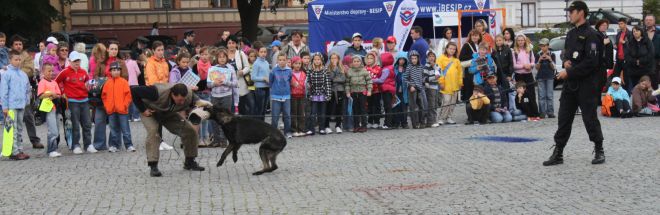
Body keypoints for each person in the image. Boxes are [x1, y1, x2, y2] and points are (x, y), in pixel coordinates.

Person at [545, 1, 606, 166]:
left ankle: (599, 149)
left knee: (589, 118)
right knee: (564, 118)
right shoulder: (571, 34)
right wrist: (565, 62)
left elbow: (591, 62)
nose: (569, 14)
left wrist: (569, 71)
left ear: (581, 12)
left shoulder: (592, 35)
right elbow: (567, 54)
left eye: (572, 11)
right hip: (570, 85)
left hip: (587, 85)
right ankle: (558, 152)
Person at [131, 83, 209, 177]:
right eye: (179, 100)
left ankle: (190, 162)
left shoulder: (189, 94)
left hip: (167, 113)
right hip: (150, 112)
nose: (181, 102)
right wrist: (143, 109)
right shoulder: (155, 92)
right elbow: (134, 91)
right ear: (172, 94)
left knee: (190, 131)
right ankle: (153, 166)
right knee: (153, 132)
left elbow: (198, 102)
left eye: (183, 100)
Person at [55, 53, 92, 154]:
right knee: (75, 125)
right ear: (70, 61)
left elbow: (87, 82)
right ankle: (76, 145)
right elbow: (55, 82)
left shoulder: (84, 72)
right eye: (74, 61)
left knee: (87, 124)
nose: (77, 63)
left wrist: (88, 87)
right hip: (72, 102)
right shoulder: (65, 72)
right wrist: (61, 92)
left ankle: (88, 144)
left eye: (78, 61)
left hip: (84, 101)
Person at [10, 35, 43, 149]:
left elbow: (29, 70)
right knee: (11, 118)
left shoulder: (26, 56)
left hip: (24, 91)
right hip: (11, 92)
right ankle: (13, 142)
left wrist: (14, 71)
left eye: (20, 44)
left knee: (28, 116)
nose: (18, 46)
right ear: (12, 45)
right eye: (16, 44)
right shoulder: (8, 55)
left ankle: (34, 140)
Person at [1, 50, 31, 160]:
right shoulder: (6, 74)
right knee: (12, 129)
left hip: (21, 105)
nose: (18, 62)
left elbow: (27, 89)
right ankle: (13, 151)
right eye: (15, 60)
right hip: (11, 106)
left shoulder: (23, 75)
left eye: (19, 60)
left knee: (19, 128)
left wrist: (26, 101)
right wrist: (4, 107)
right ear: (10, 60)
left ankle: (20, 149)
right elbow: (3, 92)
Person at [207, 48, 238, 147]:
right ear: (217, 58)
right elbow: (208, 84)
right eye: (219, 57)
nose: (222, 59)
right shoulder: (213, 68)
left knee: (225, 118)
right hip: (215, 96)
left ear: (226, 57)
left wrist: (225, 82)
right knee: (214, 118)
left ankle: (224, 140)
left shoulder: (230, 68)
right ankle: (216, 139)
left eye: (223, 57)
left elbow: (235, 83)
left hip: (226, 96)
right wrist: (214, 83)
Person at [102, 62, 134, 152]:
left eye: (118, 70)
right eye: (114, 70)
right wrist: (107, 106)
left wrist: (124, 105)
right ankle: (114, 145)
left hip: (122, 110)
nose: (116, 72)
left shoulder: (124, 82)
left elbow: (128, 96)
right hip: (111, 110)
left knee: (125, 129)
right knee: (113, 129)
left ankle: (129, 145)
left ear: (120, 71)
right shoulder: (107, 83)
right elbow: (104, 96)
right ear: (110, 72)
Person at [37, 63, 62, 157]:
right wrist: (51, 93)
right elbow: (40, 95)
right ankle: (51, 150)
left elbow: (58, 94)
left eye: (52, 71)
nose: (51, 72)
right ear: (43, 72)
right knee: (52, 130)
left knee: (57, 129)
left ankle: (53, 148)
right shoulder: (42, 82)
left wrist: (56, 95)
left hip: (56, 107)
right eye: (49, 71)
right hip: (48, 108)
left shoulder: (54, 82)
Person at [437, 42, 463, 125]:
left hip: (455, 85)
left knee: (452, 103)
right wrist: (441, 82)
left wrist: (460, 83)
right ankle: (441, 118)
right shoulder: (440, 58)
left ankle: (449, 117)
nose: (452, 50)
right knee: (446, 102)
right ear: (446, 49)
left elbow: (460, 73)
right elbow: (438, 71)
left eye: (454, 49)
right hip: (446, 85)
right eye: (450, 48)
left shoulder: (457, 60)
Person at [625, 26, 655, 93]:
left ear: (641, 31)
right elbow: (627, 56)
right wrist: (635, 61)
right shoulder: (629, 43)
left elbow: (651, 54)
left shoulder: (647, 41)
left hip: (646, 70)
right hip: (633, 71)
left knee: (645, 89)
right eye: (634, 31)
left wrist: (640, 61)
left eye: (637, 31)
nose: (635, 32)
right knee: (635, 90)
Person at [346, 55, 372, 132]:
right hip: (353, 92)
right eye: (355, 61)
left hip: (362, 92)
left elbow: (369, 81)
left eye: (358, 61)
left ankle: (364, 125)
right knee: (355, 110)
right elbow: (347, 83)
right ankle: (356, 125)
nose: (356, 63)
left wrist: (369, 90)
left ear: (361, 62)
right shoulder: (349, 71)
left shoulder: (364, 70)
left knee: (363, 109)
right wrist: (347, 92)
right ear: (352, 62)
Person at [306, 52, 331, 134]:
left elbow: (327, 83)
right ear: (313, 60)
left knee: (322, 113)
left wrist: (328, 95)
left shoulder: (325, 70)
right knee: (313, 112)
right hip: (313, 94)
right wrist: (309, 92)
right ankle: (311, 129)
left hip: (322, 94)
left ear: (321, 60)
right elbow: (308, 82)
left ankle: (322, 128)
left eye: (318, 59)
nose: (317, 61)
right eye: (315, 59)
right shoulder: (310, 70)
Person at [269, 53, 293, 138]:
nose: (282, 62)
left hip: (286, 96)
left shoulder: (289, 70)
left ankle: (287, 132)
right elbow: (270, 82)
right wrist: (275, 90)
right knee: (275, 116)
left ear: (286, 61)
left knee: (287, 115)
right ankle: (273, 133)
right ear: (277, 61)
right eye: (280, 60)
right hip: (276, 96)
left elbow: (290, 80)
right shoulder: (274, 70)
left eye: (284, 60)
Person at [324, 53, 346, 133]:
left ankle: (338, 125)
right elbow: (330, 78)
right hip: (330, 90)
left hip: (339, 90)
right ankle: (326, 126)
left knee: (339, 109)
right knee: (328, 108)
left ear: (338, 59)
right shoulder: (327, 68)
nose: (334, 60)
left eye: (335, 58)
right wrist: (334, 70)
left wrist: (334, 80)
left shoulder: (342, 67)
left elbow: (343, 79)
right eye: (332, 58)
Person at [404, 51, 427, 129]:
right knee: (413, 107)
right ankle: (415, 123)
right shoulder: (409, 67)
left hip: (420, 88)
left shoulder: (421, 66)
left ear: (418, 59)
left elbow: (423, 76)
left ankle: (422, 122)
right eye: (412, 58)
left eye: (415, 58)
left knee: (421, 106)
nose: (414, 60)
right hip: (412, 89)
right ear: (410, 59)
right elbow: (405, 78)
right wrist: (410, 85)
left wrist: (424, 81)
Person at [535, 38, 557, 118]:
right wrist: (539, 60)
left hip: (550, 77)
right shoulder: (538, 54)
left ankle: (550, 112)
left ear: (548, 46)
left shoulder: (552, 54)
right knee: (541, 96)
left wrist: (550, 59)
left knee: (549, 95)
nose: (543, 48)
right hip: (540, 77)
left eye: (544, 46)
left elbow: (554, 67)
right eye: (541, 46)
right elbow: (536, 68)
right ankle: (542, 113)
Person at [459, 30, 481, 102]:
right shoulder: (467, 45)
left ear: (479, 36)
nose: (474, 37)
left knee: (478, 91)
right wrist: (473, 57)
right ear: (470, 36)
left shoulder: (480, 45)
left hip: (479, 71)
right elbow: (461, 57)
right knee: (469, 91)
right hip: (469, 72)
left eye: (476, 35)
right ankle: (470, 109)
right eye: (473, 35)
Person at [377, 52, 396, 130]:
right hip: (389, 89)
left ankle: (388, 124)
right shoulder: (390, 67)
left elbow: (381, 80)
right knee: (389, 107)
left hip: (386, 89)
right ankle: (388, 123)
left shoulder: (386, 70)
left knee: (387, 107)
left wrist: (372, 80)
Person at [289, 56, 307, 137]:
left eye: (299, 63)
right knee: (294, 113)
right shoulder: (290, 73)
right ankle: (294, 129)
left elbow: (305, 84)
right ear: (292, 64)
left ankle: (301, 129)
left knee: (301, 113)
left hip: (302, 95)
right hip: (293, 95)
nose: (298, 65)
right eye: (296, 63)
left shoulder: (303, 73)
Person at [252, 47, 271, 121]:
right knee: (259, 109)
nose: (263, 53)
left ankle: (262, 124)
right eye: (261, 52)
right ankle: (258, 124)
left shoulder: (266, 62)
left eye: (265, 52)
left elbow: (268, 74)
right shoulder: (256, 63)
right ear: (258, 53)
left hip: (267, 87)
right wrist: (263, 78)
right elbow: (253, 77)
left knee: (264, 109)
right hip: (259, 88)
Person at [364, 52, 382, 129]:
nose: (369, 60)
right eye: (368, 58)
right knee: (369, 106)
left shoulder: (378, 68)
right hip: (368, 91)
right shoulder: (364, 68)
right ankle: (370, 121)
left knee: (376, 106)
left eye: (371, 58)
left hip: (376, 91)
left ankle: (377, 121)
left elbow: (380, 79)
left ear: (375, 59)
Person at [596, 19, 614, 93]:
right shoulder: (596, 35)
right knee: (600, 81)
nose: (604, 27)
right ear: (598, 26)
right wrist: (603, 43)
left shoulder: (605, 35)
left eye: (606, 25)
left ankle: (598, 98)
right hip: (600, 62)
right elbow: (594, 47)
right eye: (602, 25)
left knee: (603, 81)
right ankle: (597, 99)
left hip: (605, 62)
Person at [422, 51, 439, 127]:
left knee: (435, 104)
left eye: (433, 56)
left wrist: (434, 67)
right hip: (430, 88)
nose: (431, 58)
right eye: (430, 56)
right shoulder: (426, 67)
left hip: (436, 87)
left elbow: (439, 73)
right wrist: (434, 77)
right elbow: (425, 78)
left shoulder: (436, 66)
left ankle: (434, 120)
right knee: (431, 105)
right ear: (427, 58)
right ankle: (430, 121)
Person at [393, 52, 409, 129]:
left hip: (404, 91)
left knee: (404, 107)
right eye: (400, 59)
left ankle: (404, 123)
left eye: (403, 59)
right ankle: (396, 122)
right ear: (398, 60)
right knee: (396, 107)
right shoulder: (394, 69)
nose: (402, 61)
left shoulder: (407, 69)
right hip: (395, 91)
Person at [124, 52, 142, 122]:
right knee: (135, 100)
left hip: (126, 83)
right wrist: (135, 77)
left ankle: (128, 117)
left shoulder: (123, 63)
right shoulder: (134, 62)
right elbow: (138, 72)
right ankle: (136, 117)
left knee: (128, 101)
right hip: (134, 83)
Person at [645, 15, 660, 89]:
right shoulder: (641, 32)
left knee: (654, 83)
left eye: (650, 20)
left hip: (655, 61)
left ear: (654, 21)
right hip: (643, 62)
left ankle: (654, 100)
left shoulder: (659, 32)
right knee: (644, 83)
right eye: (647, 20)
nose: (648, 21)